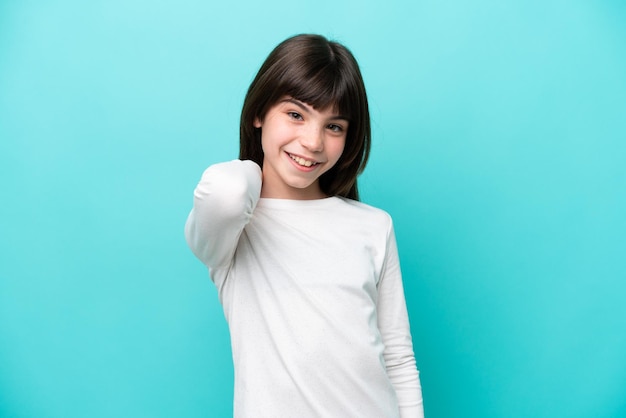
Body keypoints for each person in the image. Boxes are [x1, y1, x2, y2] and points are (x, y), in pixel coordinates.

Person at [185, 33, 424, 417]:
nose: (312, 141)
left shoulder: (374, 226)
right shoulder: (233, 228)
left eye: (334, 127)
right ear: (258, 113)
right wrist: (252, 166)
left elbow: (398, 360)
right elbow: (225, 193)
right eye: (295, 114)